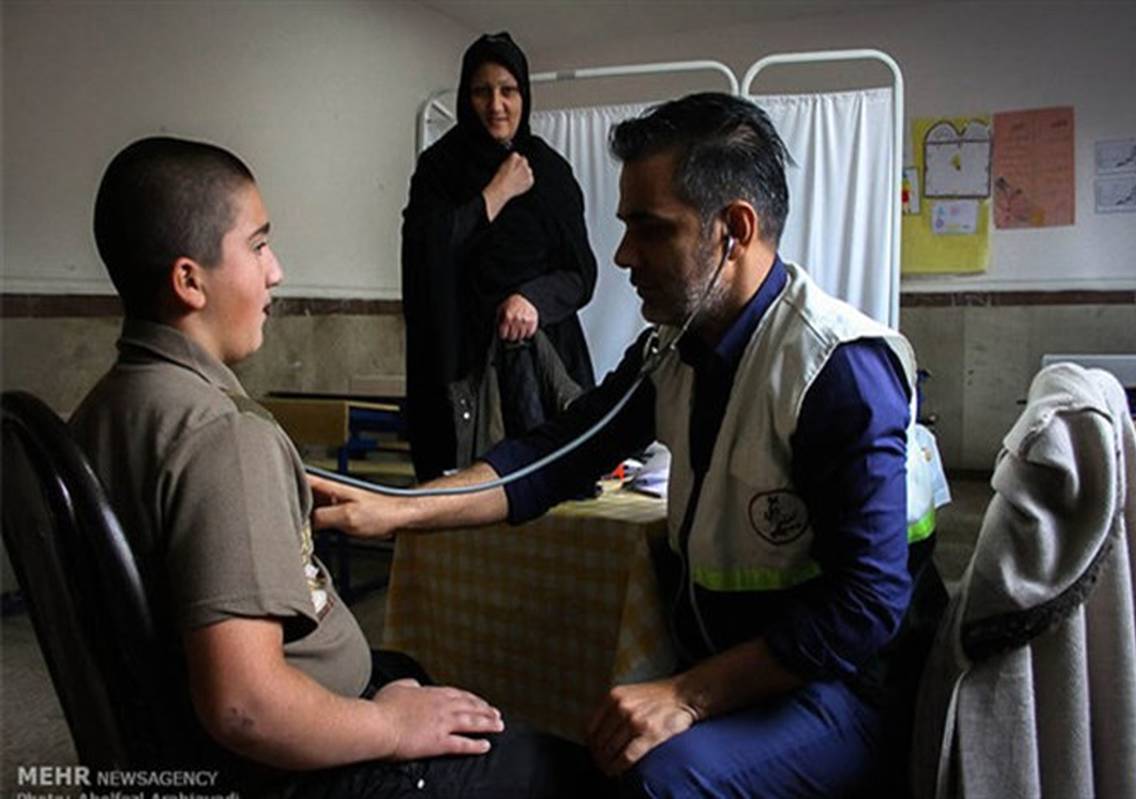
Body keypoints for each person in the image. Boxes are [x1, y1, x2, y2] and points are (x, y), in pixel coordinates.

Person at [311, 93, 948, 798]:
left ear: (734, 230)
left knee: (660, 780)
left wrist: (690, 694)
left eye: (650, 229)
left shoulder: (837, 368)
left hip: (847, 685)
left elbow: (866, 605)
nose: (622, 256)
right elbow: (554, 457)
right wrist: (396, 509)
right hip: (746, 663)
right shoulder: (674, 349)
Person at [71, 136, 601, 798]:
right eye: (259, 246)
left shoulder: (102, 408)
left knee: (406, 669)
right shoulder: (223, 436)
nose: (276, 271)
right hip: (292, 766)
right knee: (569, 773)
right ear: (189, 280)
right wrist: (389, 726)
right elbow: (245, 706)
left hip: (194, 739)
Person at [402, 32, 598, 481]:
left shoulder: (549, 171)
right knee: (461, 497)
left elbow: (581, 273)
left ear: (524, 95)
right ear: (465, 97)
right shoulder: (439, 169)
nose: (496, 105)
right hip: (459, 366)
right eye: (481, 91)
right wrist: (495, 194)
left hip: (543, 367)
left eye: (508, 90)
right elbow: (425, 253)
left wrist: (532, 299)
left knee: (550, 490)